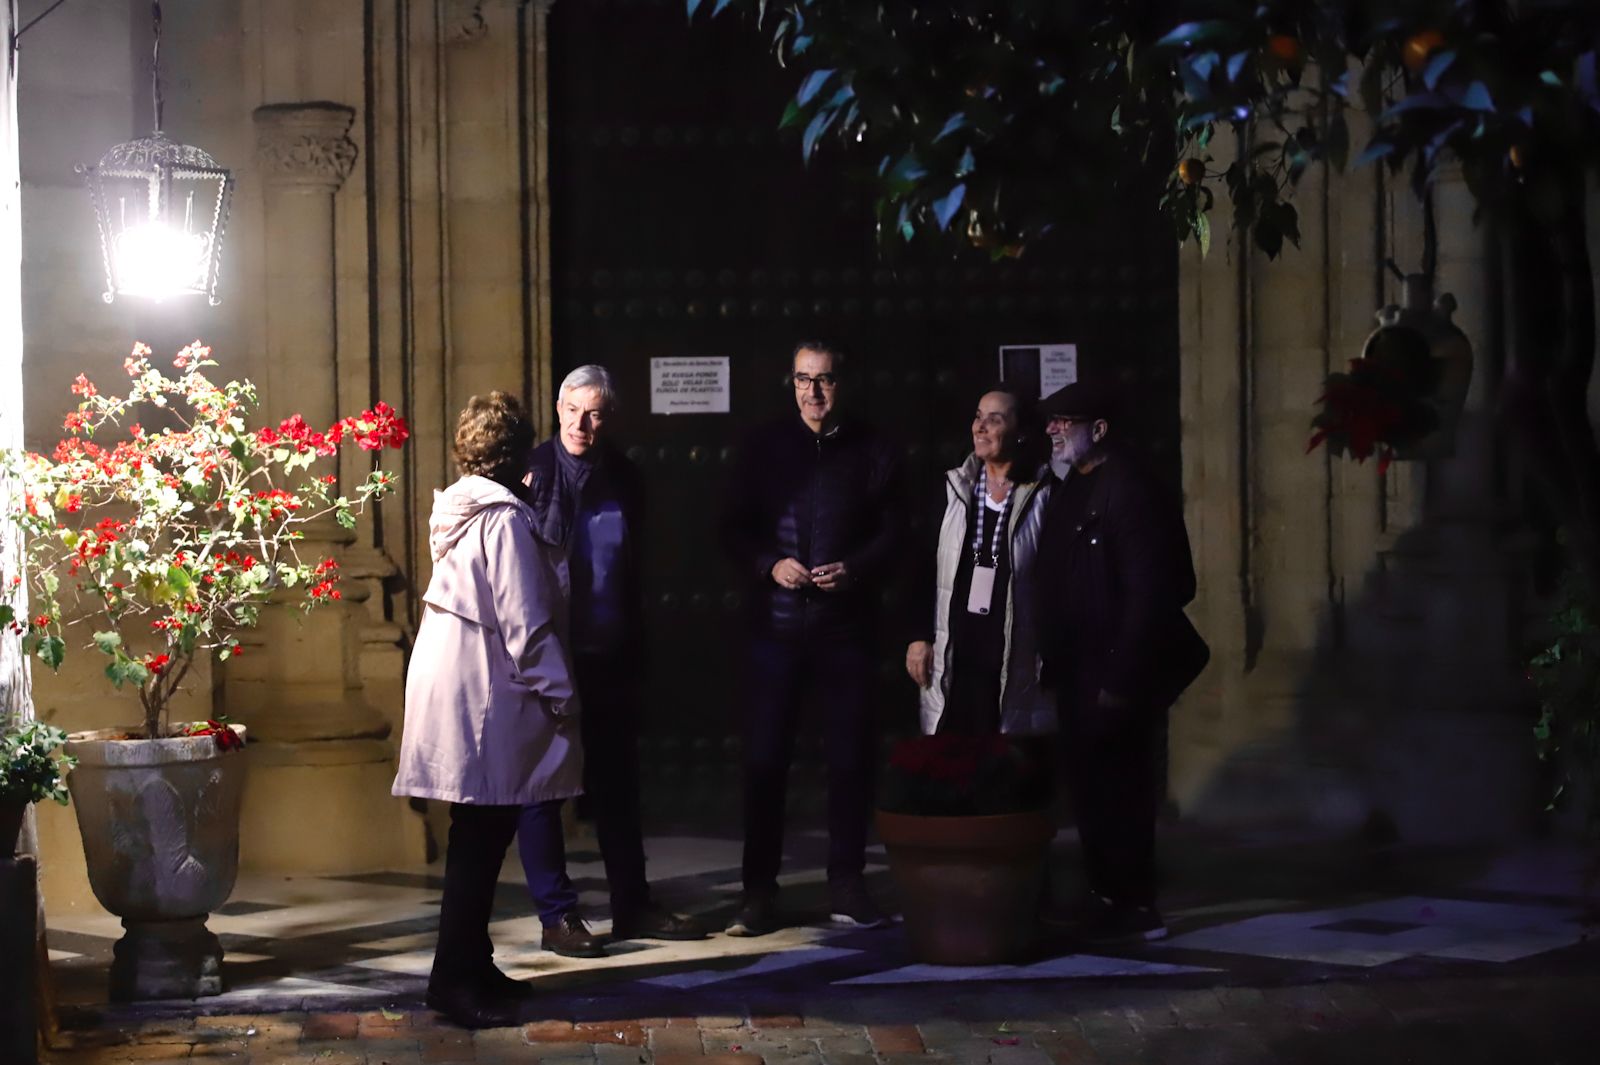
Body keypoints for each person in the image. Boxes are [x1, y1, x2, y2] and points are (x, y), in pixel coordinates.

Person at [392, 391, 586, 1029]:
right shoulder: (502, 520)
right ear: (518, 452)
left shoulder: (459, 509)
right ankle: (453, 979)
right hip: (482, 693)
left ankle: (473, 964)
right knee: (479, 841)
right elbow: (525, 625)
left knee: (477, 834)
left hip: (460, 683)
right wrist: (562, 695)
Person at [721, 340, 902, 936]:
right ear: (791, 382)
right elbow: (733, 529)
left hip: (844, 631)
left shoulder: (872, 447)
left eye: (823, 380)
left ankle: (847, 885)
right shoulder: (764, 447)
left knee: (850, 761)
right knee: (765, 762)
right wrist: (770, 564)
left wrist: (855, 568)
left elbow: (895, 532)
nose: (814, 392)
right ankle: (757, 892)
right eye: (804, 380)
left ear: (840, 383)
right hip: (774, 633)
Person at [524, 365, 706, 941]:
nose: (582, 423)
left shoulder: (626, 475)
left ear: (609, 416)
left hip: (609, 652)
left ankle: (634, 904)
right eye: (573, 409)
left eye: (595, 412)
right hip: (548, 654)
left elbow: (635, 566)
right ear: (558, 410)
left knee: (618, 785)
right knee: (545, 786)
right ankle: (558, 915)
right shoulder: (531, 470)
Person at [1033, 381, 1209, 944]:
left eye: (1066, 421)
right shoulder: (1070, 489)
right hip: (1078, 668)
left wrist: (1123, 677)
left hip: (1114, 671)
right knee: (1089, 789)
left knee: (1123, 789)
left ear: (1099, 430)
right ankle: (1104, 894)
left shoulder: (1129, 489)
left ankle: (1135, 905)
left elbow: (1151, 593)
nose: (1054, 431)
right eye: (1052, 422)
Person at [904, 387, 1056, 740]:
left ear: (1020, 431)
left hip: (1013, 650)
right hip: (958, 646)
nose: (980, 427)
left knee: (1007, 758)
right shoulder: (953, 489)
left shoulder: (1046, 495)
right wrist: (918, 637)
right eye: (978, 416)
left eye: (995, 419)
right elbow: (922, 567)